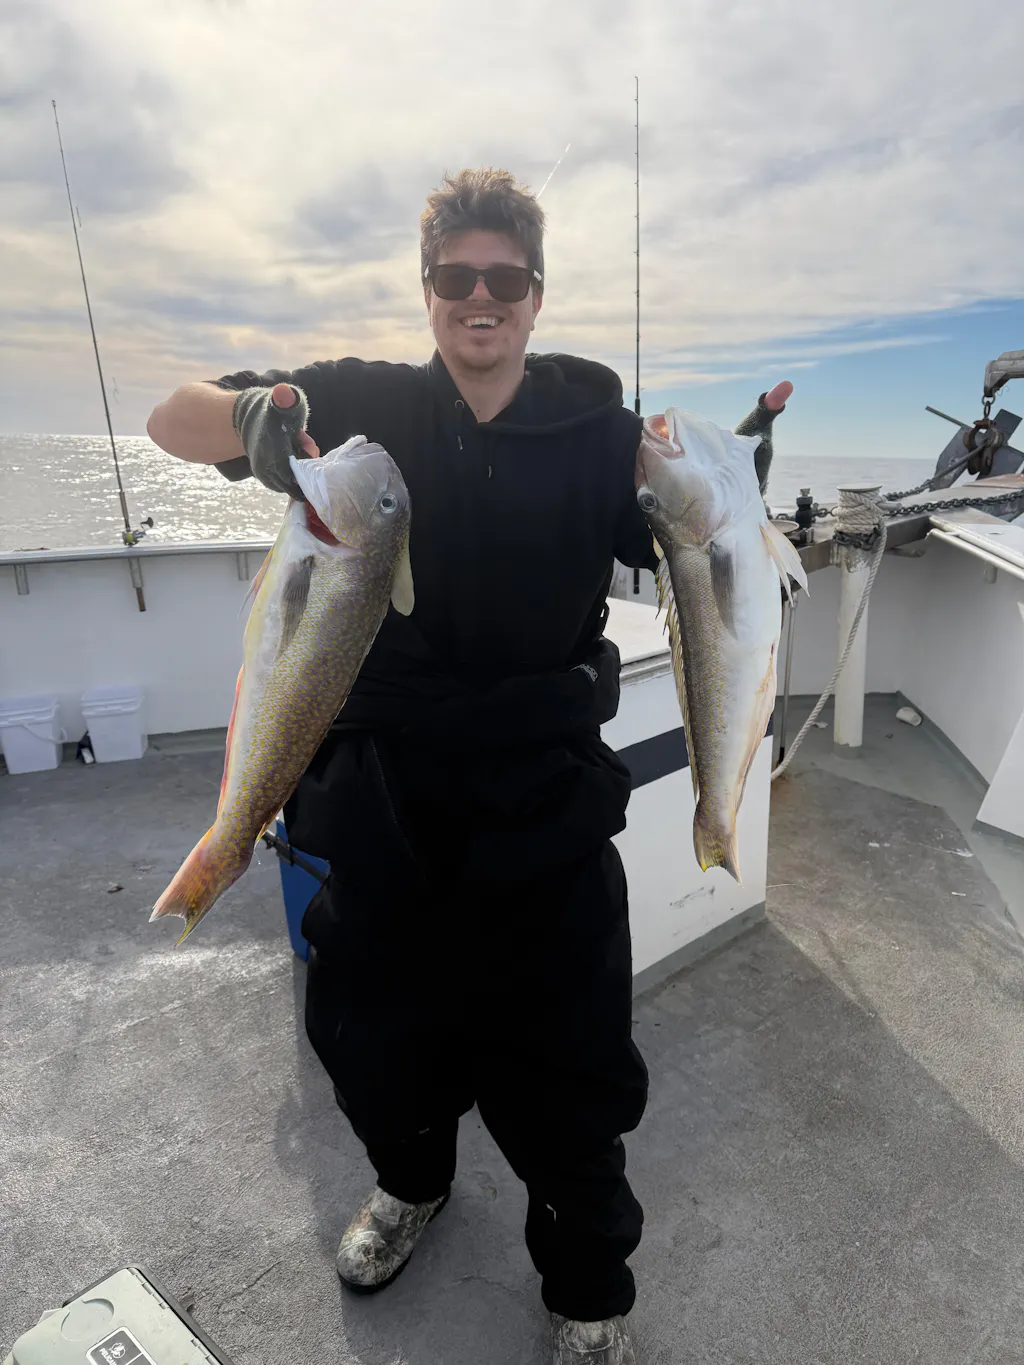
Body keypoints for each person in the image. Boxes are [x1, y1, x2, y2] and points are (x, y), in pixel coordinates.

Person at [148, 167, 790, 1365]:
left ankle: (587, 1290)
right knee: (374, 1041)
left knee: (571, 1076)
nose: (479, 297)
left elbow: (689, 543)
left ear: (536, 295)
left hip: (545, 803)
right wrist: (250, 424)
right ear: (427, 288)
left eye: (504, 277)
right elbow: (168, 420)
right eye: (456, 276)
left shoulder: (600, 436)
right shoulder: (354, 403)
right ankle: (411, 1185)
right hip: (382, 800)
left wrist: (737, 480)